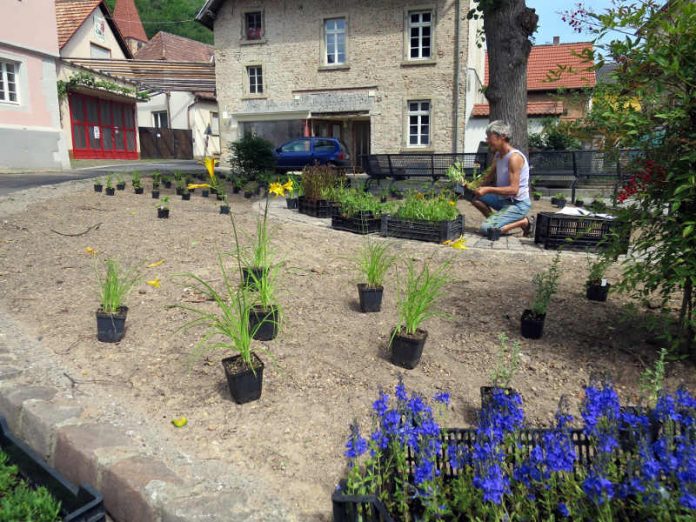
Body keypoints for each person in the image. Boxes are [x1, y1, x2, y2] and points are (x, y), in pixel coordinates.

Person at [464, 120, 533, 237]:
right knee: (472, 195)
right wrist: (471, 186)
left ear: (502, 137)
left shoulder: (514, 158)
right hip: (503, 200)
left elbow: (513, 190)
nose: (487, 141)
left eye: (489, 137)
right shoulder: (498, 155)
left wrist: (488, 189)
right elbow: (489, 176)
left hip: (517, 204)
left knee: (486, 230)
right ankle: (495, 222)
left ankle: (523, 222)